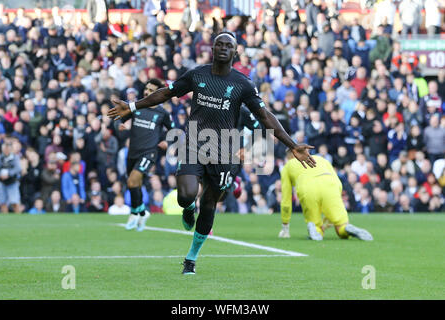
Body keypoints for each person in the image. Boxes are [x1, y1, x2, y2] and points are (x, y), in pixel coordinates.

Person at [108, 32, 316, 274]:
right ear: (213, 48)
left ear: (235, 52)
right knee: (185, 195)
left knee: (209, 204)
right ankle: (187, 208)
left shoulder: (243, 84)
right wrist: (133, 106)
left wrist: (291, 145)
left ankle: (191, 258)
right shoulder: (197, 74)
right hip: (195, 144)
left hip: (224, 151)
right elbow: (166, 92)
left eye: (229, 45)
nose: (224, 48)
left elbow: (265, 116)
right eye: (220, 44)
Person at [118, 78, 174, 231]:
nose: (147, 92)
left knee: (132, 180)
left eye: (151, 91)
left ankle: (134, 212)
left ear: (158, 94)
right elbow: (121, 119)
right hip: (133, 152)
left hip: (149, 153)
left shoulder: (162, 113)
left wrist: (167, 142)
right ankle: (142, 212)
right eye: (147, 89)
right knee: (134, 184)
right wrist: (121, 125)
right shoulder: (136, 107)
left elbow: (174, 132)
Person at [279, 151, 373, 241]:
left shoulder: (287, 166)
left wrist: (285, 226)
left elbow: (286, 200)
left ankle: (316, 229)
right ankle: (346, 228)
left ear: (289, 157)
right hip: (331, 186)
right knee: (341, 225)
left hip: (308, 187)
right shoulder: (321, 159)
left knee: (316, 225)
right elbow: (337, 181)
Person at [0, 139, 22, 213]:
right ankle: (6, 218)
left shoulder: (15, 157)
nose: (6, 150)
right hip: (2, 182)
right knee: (2, 202)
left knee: (15, 202)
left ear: (10, 149)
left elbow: (18, 168)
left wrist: (9, 174)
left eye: (7, 148)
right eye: (4, 148)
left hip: (12, 182)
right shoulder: (0, 158)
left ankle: (18, 218)